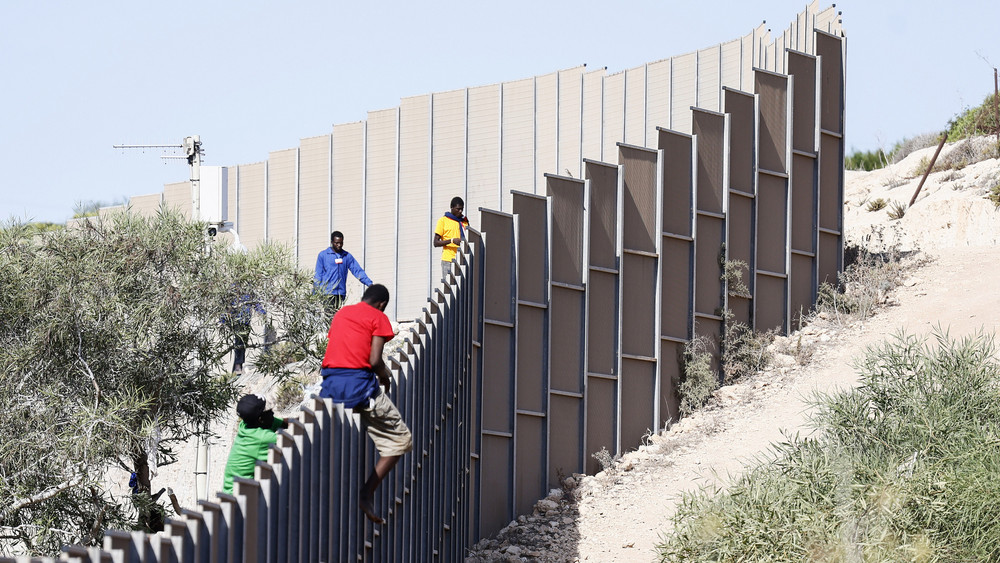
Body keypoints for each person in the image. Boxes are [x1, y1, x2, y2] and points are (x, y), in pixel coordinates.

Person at [319, 284, 412, 524]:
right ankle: (366, 493)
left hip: (330, 386)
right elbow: (373, 360)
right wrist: (385, 376)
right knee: (401, 440)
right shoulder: (378, 317)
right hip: (358, 387)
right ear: (382, 304)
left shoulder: (342, 313)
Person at [222, 394, 289, 494]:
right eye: (269, 412)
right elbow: (295, 443)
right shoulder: (263, 438)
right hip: (238, 498)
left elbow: (284, 422)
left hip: (231, 492)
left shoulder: (245, 425)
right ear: (261, 419)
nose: (273, 413)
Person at [314, 231, 374, 317]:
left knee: (337, 316)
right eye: (336, 243)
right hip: (327, 292)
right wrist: (315, 293)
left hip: (340, 293)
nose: (339, 245)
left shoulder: (346, 256)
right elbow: (318, 274)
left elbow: (357, 270)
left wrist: (369, 283)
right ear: (332, 242)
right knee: (330, 316)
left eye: (341, 243)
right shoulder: (323, 255)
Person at [433, 197, 470, 281]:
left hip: (463, 259)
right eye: (458, 209)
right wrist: (452, 240)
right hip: (448, 260)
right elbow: (435, 243)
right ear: (452, 207)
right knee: (449, 288)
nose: (460, 211)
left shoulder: (464, 221)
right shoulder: (443, 221)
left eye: (462, 209)